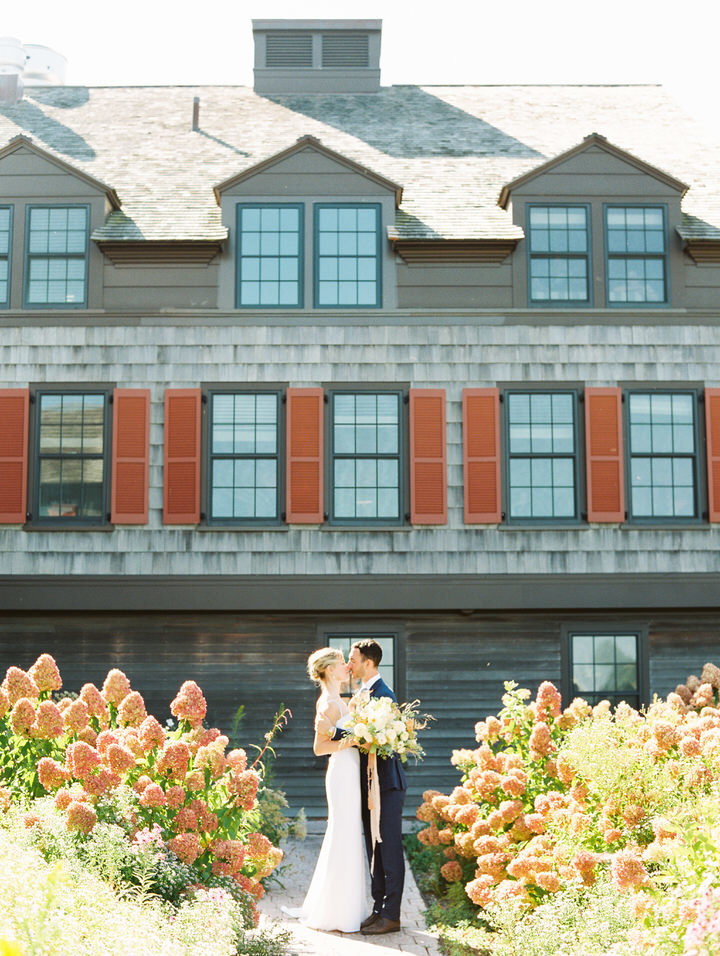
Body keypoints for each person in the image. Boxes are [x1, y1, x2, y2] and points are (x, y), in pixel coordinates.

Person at [281, 647, 366, 933]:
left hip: (351, 771)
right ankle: (336, 911)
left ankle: (347, 905)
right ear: (330, 670)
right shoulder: (327, 703)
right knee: (342, 832)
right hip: (341, 773)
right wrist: (353, 741)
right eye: (343, 663)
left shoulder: (341, 701)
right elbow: (319, 748)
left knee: (349, 832)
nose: (347, 668)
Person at [346, 639, 407, 936]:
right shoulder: (361, 695)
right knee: (374, 848)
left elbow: (388, 744)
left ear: (368, 662)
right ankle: (378, 908)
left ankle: (392, 915)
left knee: (389, 847)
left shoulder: (385, 696)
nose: (349, 665)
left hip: (387, 784)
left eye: (353, 660)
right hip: (368, 785)